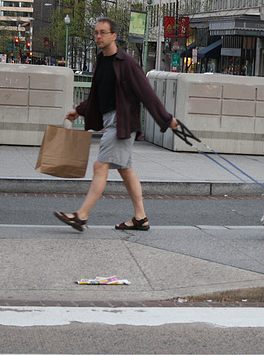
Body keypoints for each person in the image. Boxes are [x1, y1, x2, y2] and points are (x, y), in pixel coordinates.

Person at [55, 17, 179, 232]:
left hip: (121, 123)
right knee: (125, 170)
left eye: (103, 32)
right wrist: (79, 110)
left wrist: (166, 119)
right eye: (96, 32)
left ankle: (81, 216)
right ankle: (140, 218)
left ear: (114, 36)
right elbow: (97, 95)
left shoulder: (127, 63)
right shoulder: (101, 61)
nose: (98, 37)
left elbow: (146, 94)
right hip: (110, 120)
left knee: (100, 166)